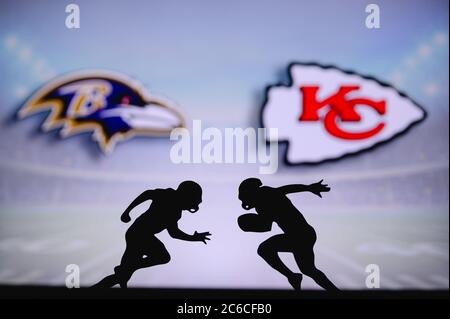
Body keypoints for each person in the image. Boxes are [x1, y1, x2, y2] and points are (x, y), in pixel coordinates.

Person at [93, 180, 211, 288]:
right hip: (139, 235)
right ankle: (130, 267)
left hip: (140, 235)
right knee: (162, 257)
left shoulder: (175, 210)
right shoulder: (167, 196)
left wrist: (193, 238)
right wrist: (127, 211)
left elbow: (174, 233)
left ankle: (95, 290)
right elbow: (147, 194)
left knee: (122, 277)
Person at [237, 178, 339, 291]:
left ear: (251, 193)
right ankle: (335, 292)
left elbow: (266, 226)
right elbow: (286, 189)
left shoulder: (264, 197)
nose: (244, 202)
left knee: (264, 249)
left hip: (299, 235)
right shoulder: (264, 198)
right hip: (303, 234)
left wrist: (247, 224)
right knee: (308, 270)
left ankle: (292, 277)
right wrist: (308, 187)